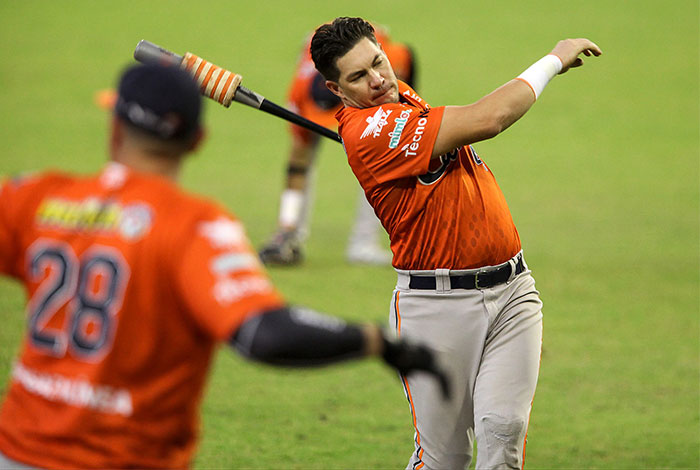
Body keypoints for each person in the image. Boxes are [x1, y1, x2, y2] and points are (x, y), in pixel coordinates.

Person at [0, 63, 449, 470]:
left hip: (16, 452)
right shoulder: (194, 228)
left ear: (115, 126)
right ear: (197, 142)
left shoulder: (38, 197)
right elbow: (265, 333)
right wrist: (374, 341)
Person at [310, 17, 602, 469]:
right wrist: (554, 59)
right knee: (445, 459)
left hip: (514, 293)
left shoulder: (396, 94)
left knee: (504, 432)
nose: (379, 79)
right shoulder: (368, 134)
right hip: (437, 307)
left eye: (378, 62)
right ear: (336, 88)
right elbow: (491, 118)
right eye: (359, 77)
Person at [258, 24, 416, 266]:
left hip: (378, 87)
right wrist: (286, 224)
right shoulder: (300, 97)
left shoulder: (389, 63)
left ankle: (365, 242)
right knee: (302, 156)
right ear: (334, 88)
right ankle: (290, 232)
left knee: (384, 154)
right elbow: (297, 165)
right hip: (335, 75)